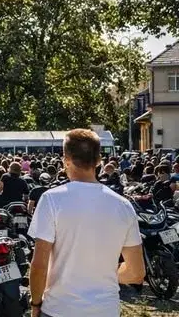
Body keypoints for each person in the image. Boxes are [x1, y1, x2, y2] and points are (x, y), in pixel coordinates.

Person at [28, 129, 145, 317]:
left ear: (65, 159)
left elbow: (39, 265)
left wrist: (35, 305)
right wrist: (103, 278)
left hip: (59, 309)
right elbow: (136, 273)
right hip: (105, 310)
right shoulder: (123, 206)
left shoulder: (51, 200)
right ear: (99, 160)